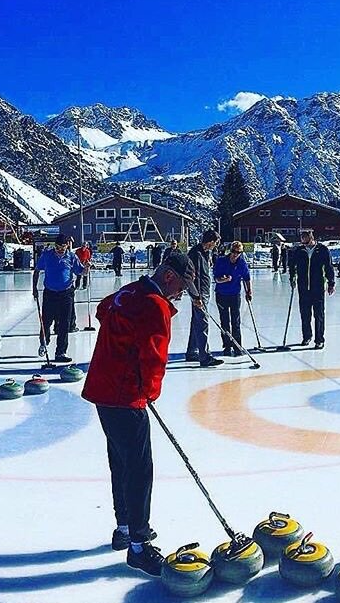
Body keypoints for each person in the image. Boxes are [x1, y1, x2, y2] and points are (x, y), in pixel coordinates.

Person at [82, 252, 198, 576]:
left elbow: (103, 310)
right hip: (125, 395)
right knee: (139, 468)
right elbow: (154, 357)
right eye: (181, 287)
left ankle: (123, 528)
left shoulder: (129, 291)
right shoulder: (155, 305)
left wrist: (120, 341)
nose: (180, 295)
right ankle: (138, 544)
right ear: (170, 277)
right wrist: (149, 392)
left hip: (102, 391)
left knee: (119, 461)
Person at [33, 233, 88, 363]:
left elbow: (80, 271)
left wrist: (86, 268)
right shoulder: (47, 255)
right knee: (46, 321)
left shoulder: (71, 256)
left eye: (62, 247)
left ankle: (61, 352)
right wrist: (34, 288)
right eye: (58, 247)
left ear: (67, 246)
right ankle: (44, 342)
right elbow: (36, 270)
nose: (60, 250)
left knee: (64, 324)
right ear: (54, 246)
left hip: (66, 294)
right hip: (50, 293)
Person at [289, 230, 335, 349]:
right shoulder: (299, 251)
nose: (302, 239)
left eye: (304, 237)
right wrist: (292, 277)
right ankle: (307, 336)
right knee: (305, 314)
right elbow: (292, 265)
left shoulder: (322, 250)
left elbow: (329, 267)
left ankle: (319, 339)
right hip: (303, 287)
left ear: (310, 237)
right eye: (301, 237)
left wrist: (331, 282)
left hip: (318, 287)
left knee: (319, 314)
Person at [186, 229, 223, 367]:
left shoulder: (205, 253)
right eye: (216, 243)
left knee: (196, 322)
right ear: (210, 241)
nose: (216, 245)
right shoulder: (196, 254)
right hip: (199, 294)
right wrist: (196, 296)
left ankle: (192, 351)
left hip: (204, 292)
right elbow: (193, 277)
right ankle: (205, 356)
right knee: (202, 323)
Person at [213, 241, 252, 356]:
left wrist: (249, 291)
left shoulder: (242, 263)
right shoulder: (221, 261)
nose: (236, 254)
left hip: (235, 295)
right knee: (225, 321)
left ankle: (237, 346)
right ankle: (227, 346)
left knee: (236, 321)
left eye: (238, 252)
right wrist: (224, 279)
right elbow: (216, 279)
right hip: (221, 295)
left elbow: (246, 278)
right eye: (234, 251)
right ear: (230, 251)